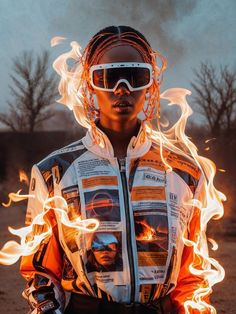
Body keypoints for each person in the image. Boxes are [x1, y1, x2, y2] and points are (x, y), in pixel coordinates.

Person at [20, 25, 211, 314]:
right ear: (90, 83)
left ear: (150, 83)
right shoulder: (54, 172)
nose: (123, 89)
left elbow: (193, 274)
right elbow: (40, 272)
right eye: (108, 77)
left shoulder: (185, 172)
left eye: (136, 76)